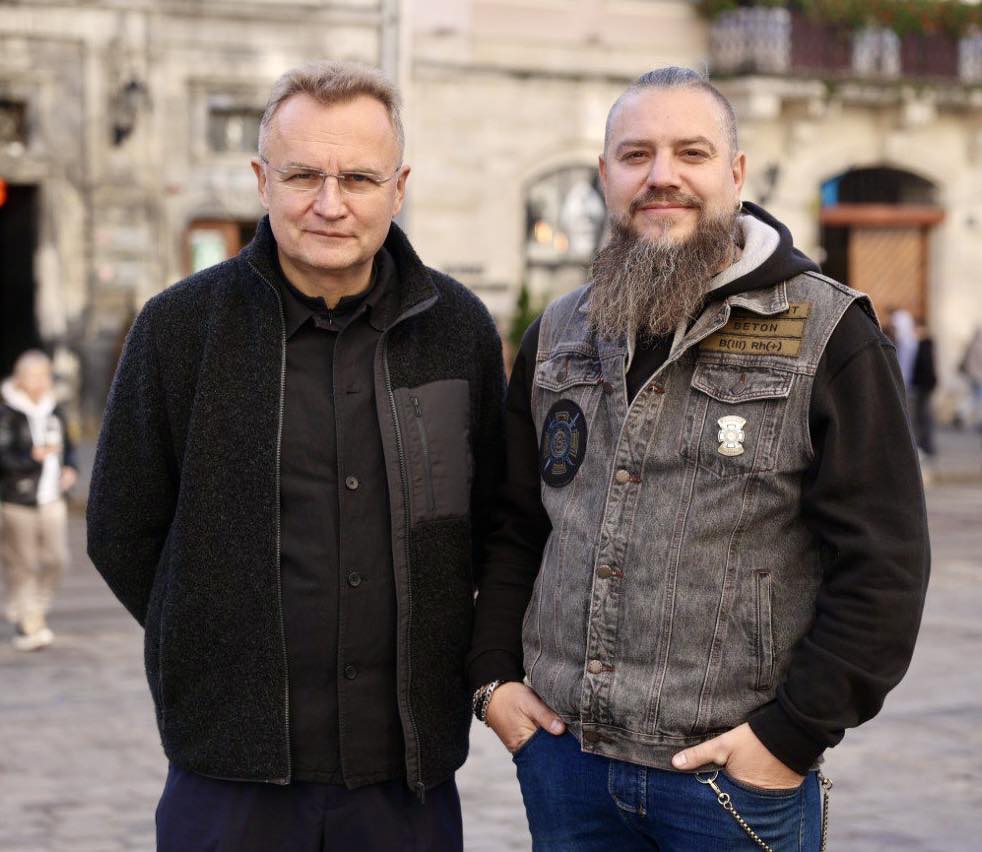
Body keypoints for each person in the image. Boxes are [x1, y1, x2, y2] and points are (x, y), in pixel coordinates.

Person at [468, 67, 930, 851]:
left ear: (735, 173)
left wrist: (790, 737)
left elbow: (884, 564)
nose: (663, 176)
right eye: (636, 154)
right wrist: (492, 681)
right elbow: (517, 526)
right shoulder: (558, 333)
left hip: (730, 781)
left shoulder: (830, 332)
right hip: (565, 765)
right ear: (606, 175)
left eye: (691, 152)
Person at [87, 60, 505, 851]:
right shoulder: (179, 329)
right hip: (230, 781)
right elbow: (120, 527)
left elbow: (490, 524)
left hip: (404, 782)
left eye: (358, 178)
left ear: (399, 188)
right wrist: (212, 635)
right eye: (303, 174)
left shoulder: (458, 329)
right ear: (261, 181)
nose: (330, 203)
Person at [0, 350, 77, 651]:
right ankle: (30, 625)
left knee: (57, 559)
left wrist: (70, 468)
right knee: (25, 564)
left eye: (44, 375)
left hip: (52, 497)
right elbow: (4, 456)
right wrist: (32, 459)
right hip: (17, 499)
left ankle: (34, 610)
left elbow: (68, 446)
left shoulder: (55, 409)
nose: (40, 382)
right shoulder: (7, 414)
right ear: (19, 379)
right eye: (33, 376)